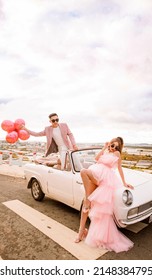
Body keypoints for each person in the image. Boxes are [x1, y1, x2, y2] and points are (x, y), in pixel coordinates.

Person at [75, 137, 134, 253]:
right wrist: (104, 147)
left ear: (118, 148)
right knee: (85, 205)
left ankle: (87, 200)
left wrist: (124, 182)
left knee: (83, 172)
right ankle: (81, 232)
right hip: (95, 174)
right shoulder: (106, 150)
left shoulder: (116, 154)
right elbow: (96, 159)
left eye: (115, 146)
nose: (113, 147)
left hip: (105, 179)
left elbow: (119, 168)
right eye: (112, 145)